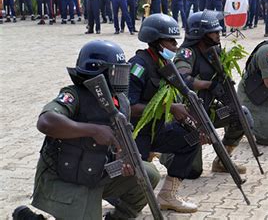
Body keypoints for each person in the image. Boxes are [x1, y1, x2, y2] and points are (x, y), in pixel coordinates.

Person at [12, 40, 160, 219]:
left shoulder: (121, 102)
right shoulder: (74, 95)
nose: (121, 77)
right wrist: (93, 130)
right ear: (100, 72)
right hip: (64, 178)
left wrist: (124, 157)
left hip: (97, 172)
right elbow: (46, 122)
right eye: (116, 72)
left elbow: (120, 141)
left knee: (148, 174)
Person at [128, 14, 199, 212]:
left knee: (192, 137)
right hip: (136, 134)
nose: (176, 46)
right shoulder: (138, 66)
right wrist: (169, 109)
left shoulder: (164, 65)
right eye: (170, 41)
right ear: (157, 42)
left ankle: (168, 195)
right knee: (137, 180)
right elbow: (129, 107)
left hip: (157, 129)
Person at [173, 10, 247, 178]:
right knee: (192, 171)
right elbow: (181, 79)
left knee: (241, 115)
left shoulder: (215, 53)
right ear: (201, 34)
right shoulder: (187, 53)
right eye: (214, 32)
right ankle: (165, 153)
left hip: (208, 111)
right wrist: (209, 85)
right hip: (188, 117)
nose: (218, 35)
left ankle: (223, 159)